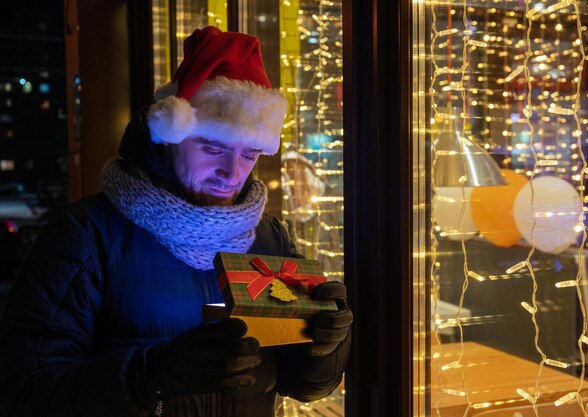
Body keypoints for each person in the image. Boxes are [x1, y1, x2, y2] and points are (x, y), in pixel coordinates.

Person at [0, 26, 352, 417]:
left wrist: (323, 347)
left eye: (250, 154)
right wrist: (148, 377)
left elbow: (302, 385)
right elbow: (22, 394)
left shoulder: (268, 238)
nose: (232, 173)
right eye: (213, 148)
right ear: (170, 137)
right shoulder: (85, 235)